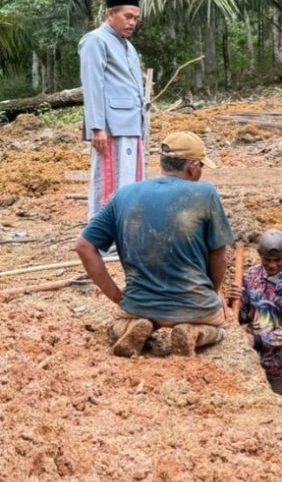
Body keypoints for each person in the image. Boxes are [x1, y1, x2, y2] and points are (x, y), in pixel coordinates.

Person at [74, 131, 235, 357]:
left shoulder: (124, 194)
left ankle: (130, 327)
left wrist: (118, 296)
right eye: (201, 166)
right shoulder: (205, 194)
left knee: (117, 324)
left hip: (139, 304)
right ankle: (193, 333)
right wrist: (213, 292)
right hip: (195, 307)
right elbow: (218, 255)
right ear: (191, 167)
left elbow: (84, 246)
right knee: (219, 328)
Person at [80, 0, 147, 220]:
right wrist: (96, 127)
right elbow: (92, 86)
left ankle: (126, 231)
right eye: (127, 16)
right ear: (111, 14)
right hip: (110, 127)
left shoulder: (128, 46)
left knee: (132, 182)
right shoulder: (95, 41)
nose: (132, 23)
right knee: (108, 184)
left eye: (135, 18)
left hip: (132, 123)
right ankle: (103, 236)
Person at [229, 229, 282, 406]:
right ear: (259, 255)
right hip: (251, 362)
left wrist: (258, 340)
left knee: (278, 409)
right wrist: (233, 300)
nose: (272, 265)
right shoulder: (250, 277)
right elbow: (241, 318)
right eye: (267, 260)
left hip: (281, 367)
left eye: (277, 260)